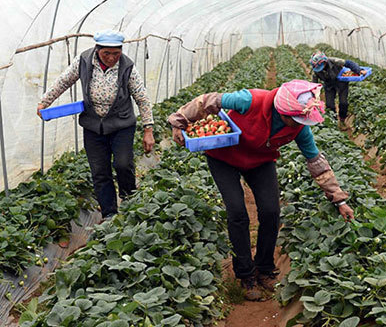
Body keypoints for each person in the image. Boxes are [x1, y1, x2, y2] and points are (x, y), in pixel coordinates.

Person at [168, 80, 353, 301]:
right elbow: (209, 100)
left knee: (271, 211)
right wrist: (178, 123)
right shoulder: (251, 100)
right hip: (223, 157)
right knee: (237, 212)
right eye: (293, 120)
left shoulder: (299, 129)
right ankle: (246, 274)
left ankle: (265, 268)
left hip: (260, 161)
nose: (297, 125)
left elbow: (316, 161)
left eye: (300, 121)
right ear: (281, 110)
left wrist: (339, 200)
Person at [37, 29, 155, 221]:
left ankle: (130, 201)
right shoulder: (84, 61)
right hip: (93, 126)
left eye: (116, 53)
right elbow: (64, 81)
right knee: (99, 171)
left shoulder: (127, 67)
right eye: (106, 53)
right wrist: (45, 102)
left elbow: (142, 98)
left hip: (121, 124)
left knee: (123, 164)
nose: (111, 58)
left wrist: (148, 129)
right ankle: (109, 214)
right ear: (97, 49)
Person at [309, 51, 367, 130]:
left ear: (325, 61)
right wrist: (313, 98)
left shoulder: (334, 61)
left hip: (341, 82)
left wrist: (359, 70)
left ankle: (342, 120)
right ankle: (333, 123)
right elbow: (314, 85)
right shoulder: (315, 71)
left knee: (344, 103)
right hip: (329, 85)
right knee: (330, 105)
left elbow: (349, 63)